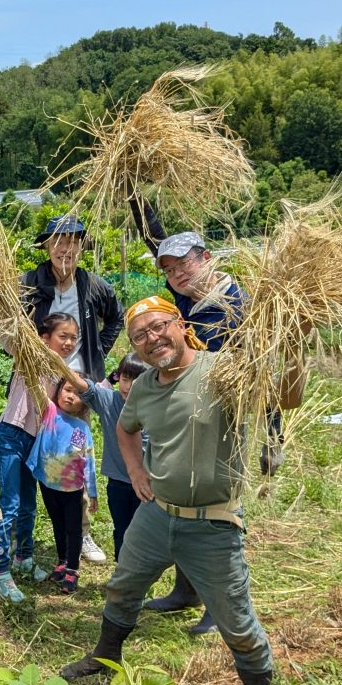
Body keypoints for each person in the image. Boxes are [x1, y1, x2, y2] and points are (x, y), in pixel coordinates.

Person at [57, 296, 309, 685]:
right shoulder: (147, 386)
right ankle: (104, 655)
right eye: (140, 335)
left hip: (212, 522)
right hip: (157, 515)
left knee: (235, 619)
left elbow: (285, 397)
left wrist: (295, 346)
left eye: (158, 327)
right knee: (123, 586)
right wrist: (136, 471)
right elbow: (124, 427)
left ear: (179, 324)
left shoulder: (221, 369)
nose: (152, 340)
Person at [130, 198, 253, 635]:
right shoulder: (187, 298)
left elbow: (263, 375)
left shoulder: (238, 302)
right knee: (182, 501)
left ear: (207, 259)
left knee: (217, 509)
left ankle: (219, 609)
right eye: (169, 269)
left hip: (223, 419)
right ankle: (187, 590)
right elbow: (152, 233)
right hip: (187, 411)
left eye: (185, 264)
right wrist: (131, 183)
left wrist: (271, 435)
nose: (178, 274)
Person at [23, 215, 125, 565]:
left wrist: (97, 357)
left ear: (82, 246)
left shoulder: (93, 285)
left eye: (73, 241)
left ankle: (80, 533)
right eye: (57, 241)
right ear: (47, 247)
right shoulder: (30, 282)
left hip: (77, 385)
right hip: (38, 382)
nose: (65, 248)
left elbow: (116, 319)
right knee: (43, 452)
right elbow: (2, 313)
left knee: (75, 456)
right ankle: (40, 534)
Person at [0, 313, 78, 603]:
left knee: (28, 506)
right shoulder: (28, 354)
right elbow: (5, 334)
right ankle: (0, 570)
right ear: (45, 338)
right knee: (11, 504)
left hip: (35, 442)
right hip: (12, 436)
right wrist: (7, 312)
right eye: (63, 335)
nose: (68, 342)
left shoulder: (61, 370)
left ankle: (23, 559)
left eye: (73, 337)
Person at [61, 353, 149, 560]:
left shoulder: (157, 406)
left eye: (136, 380)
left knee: (144, 535)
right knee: (121, 530)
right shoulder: (110, 401)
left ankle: (140, 580)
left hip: (150, 485)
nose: (128, 386)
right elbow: (86, 388)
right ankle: (122, 574)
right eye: (125, 379)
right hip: (118, 483)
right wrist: (58, 361)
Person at [26, 377, 98, 594]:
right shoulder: (49, 412)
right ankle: (62, 561)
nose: (70, 396)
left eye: (77, 394)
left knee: (73, 529)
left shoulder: (81, 429)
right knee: (57, 524)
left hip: (72, 489)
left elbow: (89, 461)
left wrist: (92, 491)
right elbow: (34, 384)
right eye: (67, 390)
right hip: (47, 483)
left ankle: (72, 570)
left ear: (84, 403)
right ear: (57, 393)